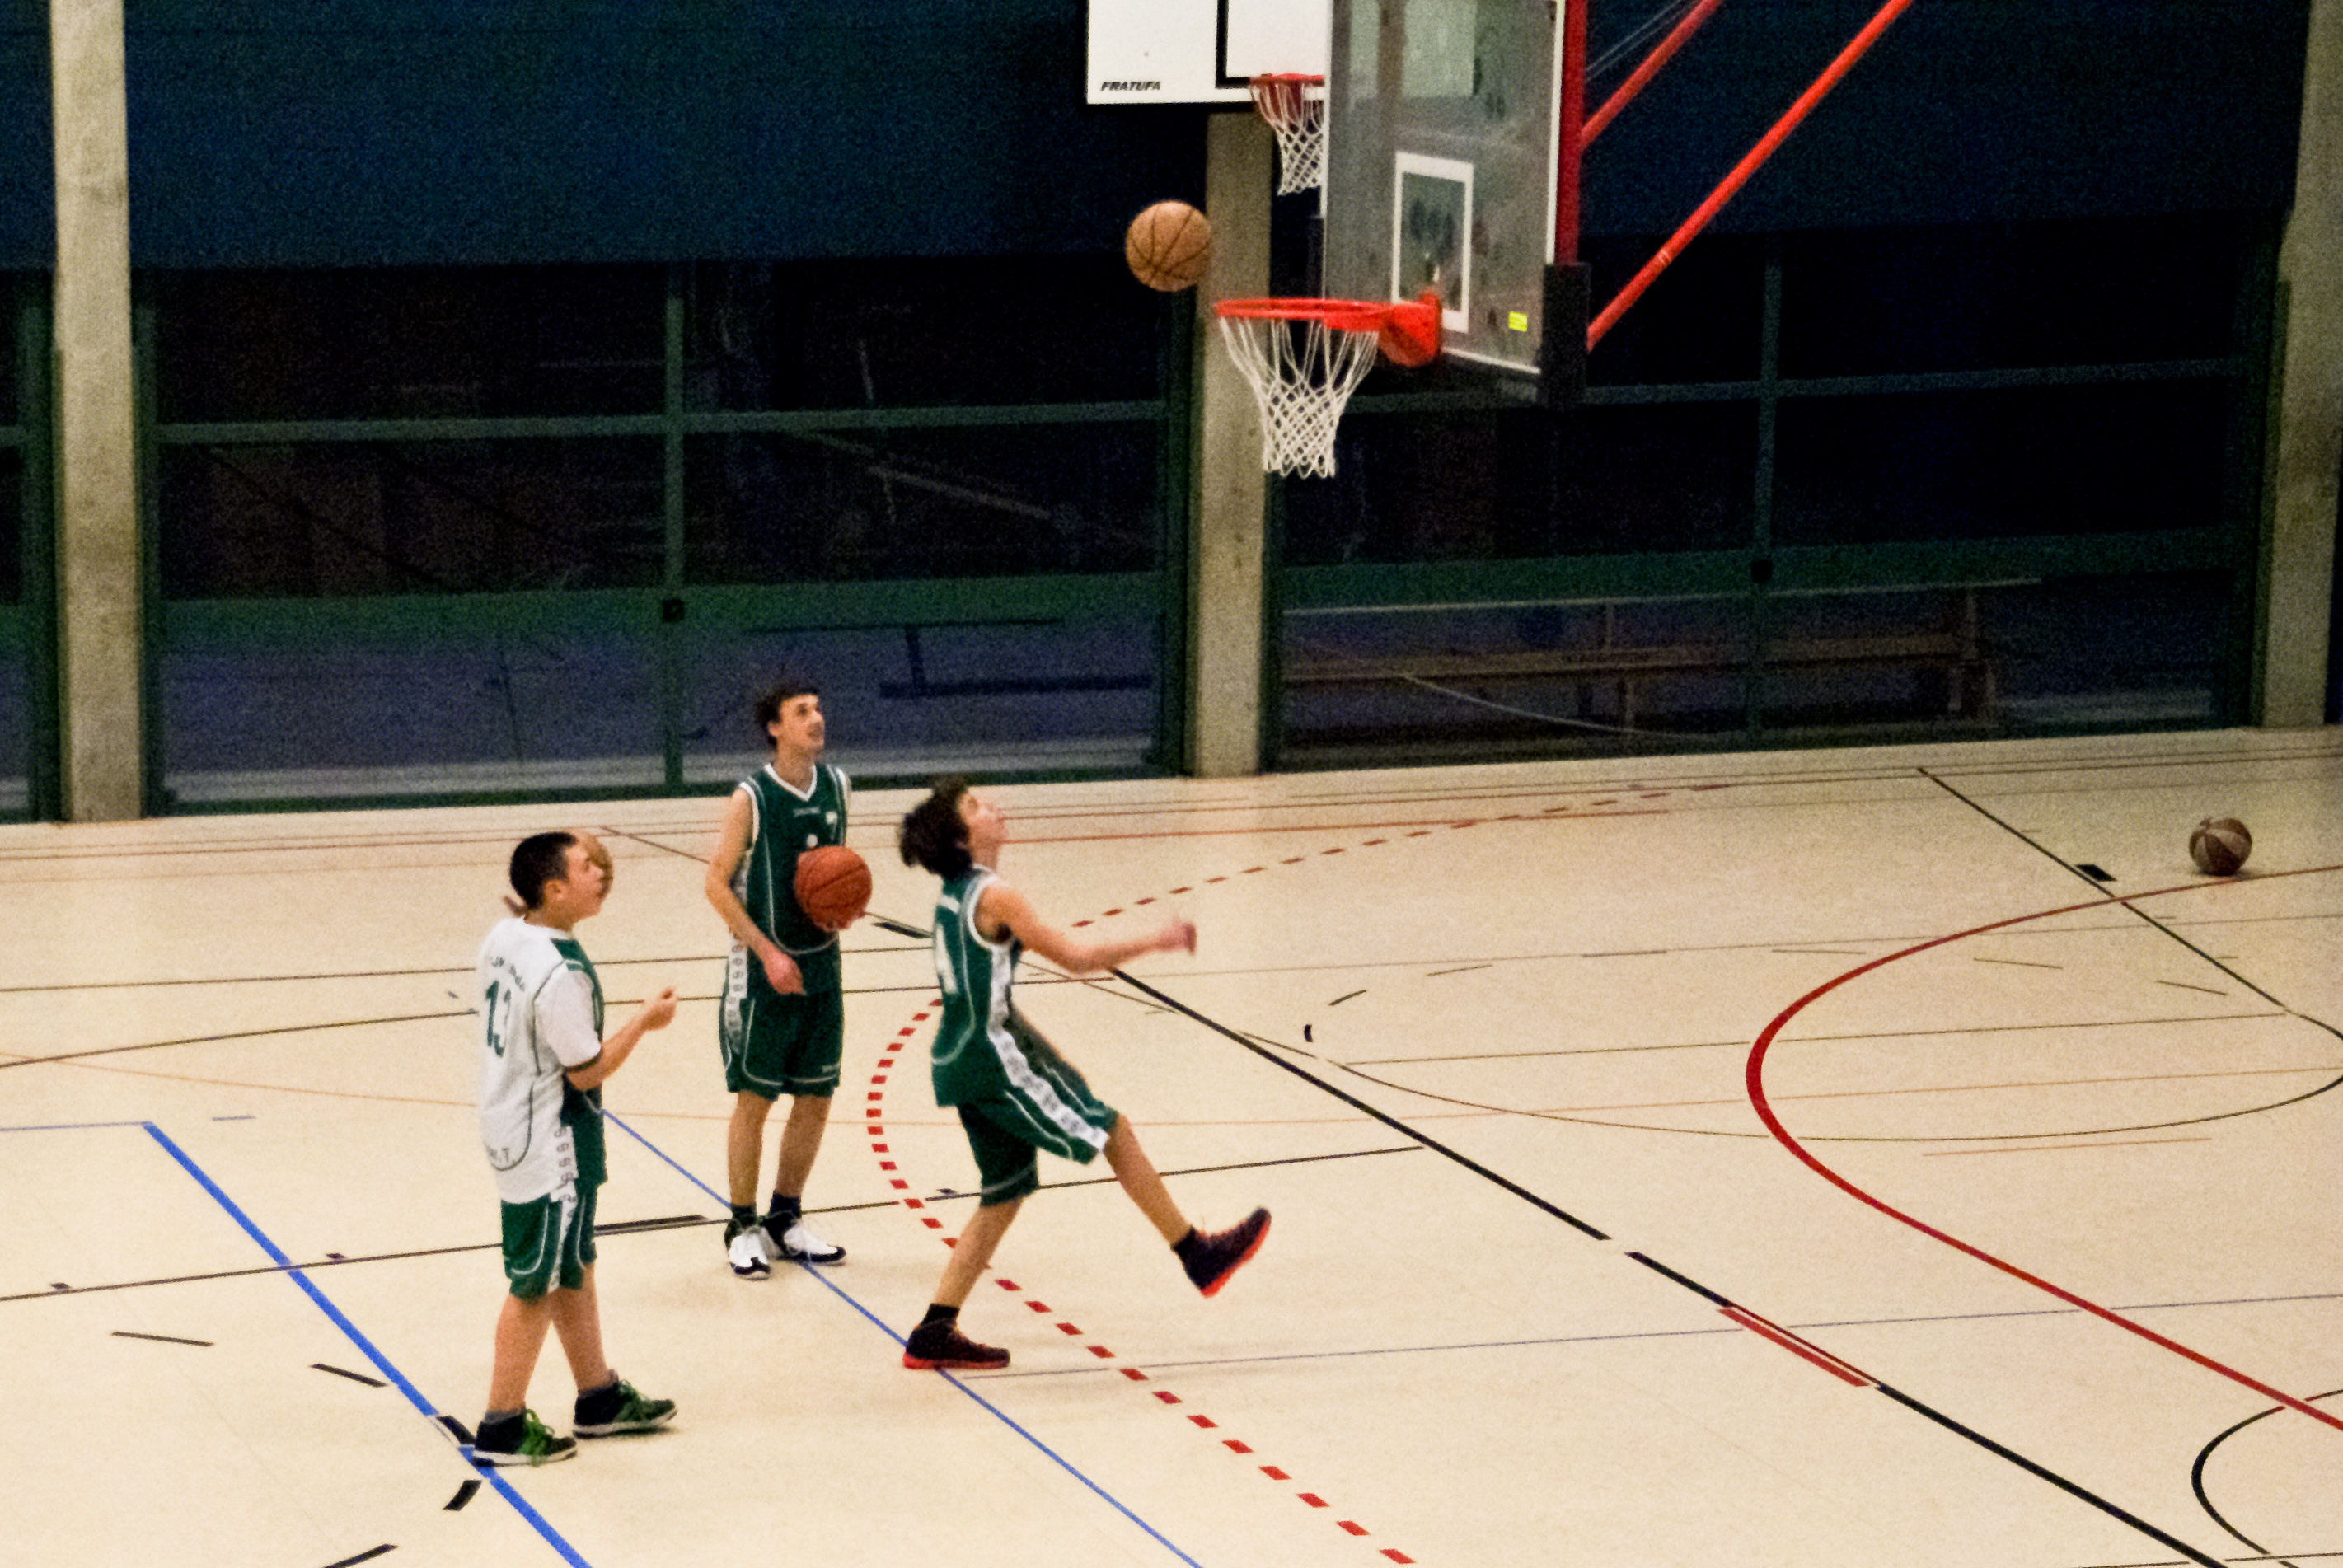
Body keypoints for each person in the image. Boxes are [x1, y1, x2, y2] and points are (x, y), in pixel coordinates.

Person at [893, 778, 1270, 1370]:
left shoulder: (955, 893)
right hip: (993, 1062)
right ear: (963, 837)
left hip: (961, 1059)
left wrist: (1047, 1055)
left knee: (1004, 1193)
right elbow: (1074, 958)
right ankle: (1196, 1254)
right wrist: (1157, 939)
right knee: (1112, 1129)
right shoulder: (996, 896)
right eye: (975, 806)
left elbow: (984, 995)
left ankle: (934, 1329)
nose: (993, 807)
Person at [472, 831, 679, 1465]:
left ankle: (598, 1394)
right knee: (534, 1280)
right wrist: (643, 1021)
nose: (601, 873)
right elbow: (585, 1071)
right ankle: (501, 1423)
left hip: (518, 1121)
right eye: (587, 866)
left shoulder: (506, 935)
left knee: (574, 1261)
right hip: (548, 1139)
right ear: (554, 889)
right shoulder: (560, 974)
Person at [705, 677, 853, 1279]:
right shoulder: (751, 797)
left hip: (822, 965)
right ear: (775, 727)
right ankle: (741, 1224)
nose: (817, 719)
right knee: (756, 1099)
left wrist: (843, 905)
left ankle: (785, 1217)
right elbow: (715, 884)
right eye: (802, 711)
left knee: (816, 1097)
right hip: (764, 971)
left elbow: (833, 874)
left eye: (818, 708)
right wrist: (767, 952)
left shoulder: (839, 786)